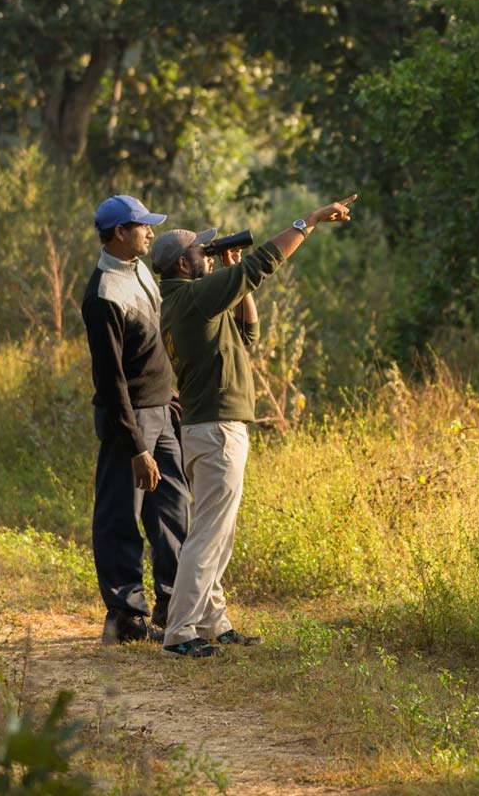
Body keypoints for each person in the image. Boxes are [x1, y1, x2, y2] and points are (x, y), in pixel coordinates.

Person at [152, 195, 357, 657]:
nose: (207, 256)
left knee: (215, 531)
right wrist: (310, 221)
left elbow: (246, 337)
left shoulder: (185, 301)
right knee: (208, 534)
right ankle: (180, 632)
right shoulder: (191, 298)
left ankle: (212, 620)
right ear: (184, 264)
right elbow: (262, 264)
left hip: (208, 428)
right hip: (217, 429)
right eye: (200, 253)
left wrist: (232, 274)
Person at [81, 195, 190, 645]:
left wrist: (169, 395)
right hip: (131, 420)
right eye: (142, 226)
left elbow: (152, 346)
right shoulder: (103, 294)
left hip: (161, 409)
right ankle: (125, 618)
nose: (150, 232)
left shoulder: (140, 270)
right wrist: (137, 448)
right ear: (120, 232)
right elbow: (111, 382)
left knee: (174, 508)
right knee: (121, 516)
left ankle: (172, 602)